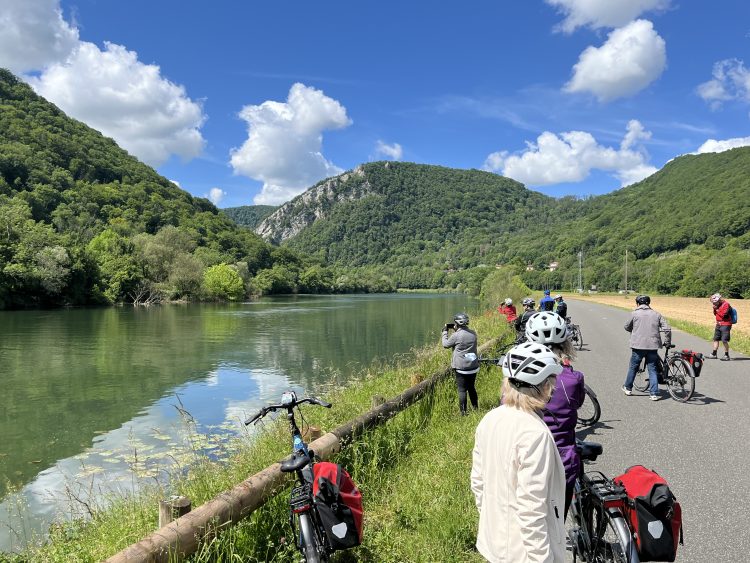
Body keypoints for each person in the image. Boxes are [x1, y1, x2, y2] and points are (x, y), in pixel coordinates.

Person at [471, 342, 566, 562]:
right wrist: (542, 559)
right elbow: (532, 509)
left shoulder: (490, 418)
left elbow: (478, 481)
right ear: (544, 386)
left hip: (493, 542)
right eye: (551, 382)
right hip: (523, 553)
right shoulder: (534, 433)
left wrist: (492, 521)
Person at [525, 312, 584, 518]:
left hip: (528, 463)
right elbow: (577, 404)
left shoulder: (518, 382)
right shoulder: (573, 379)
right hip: (563, 462)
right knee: (557, 521)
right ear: (565, 344)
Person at [622, 295, 671, 401]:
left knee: (633, 367)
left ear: (638, 303)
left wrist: (633, 329)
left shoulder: (634, 313)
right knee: (652, 369)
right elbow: (667, 328)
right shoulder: (656, 314)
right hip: (653, 346)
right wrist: (667, 342)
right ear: (649, 303)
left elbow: (626, 327)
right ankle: (654, 394)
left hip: (638, 346)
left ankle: (628, 388)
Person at [442, 312, 480, 416]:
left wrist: (444, 332)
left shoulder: (456, 335)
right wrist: (457, 330)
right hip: (473, 365)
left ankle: (463, 413)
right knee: (471, 387)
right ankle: (476, 409)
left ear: (456, 323)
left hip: (461, 368)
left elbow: (445, 345)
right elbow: (464, 339)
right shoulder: (473, 333)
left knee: (462, 390)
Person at [710, 293, 732, 361]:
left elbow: (724, 315)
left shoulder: (726, 304)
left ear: (719, 300)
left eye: (715, 302)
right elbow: (715, 314)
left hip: (725, 324)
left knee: (724, 340)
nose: (714, 303)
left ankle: (726, 355)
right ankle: (714, 354)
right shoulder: (717, 305)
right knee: (716, 339)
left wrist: (717, 310)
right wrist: (715, 309)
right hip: (718, 324)